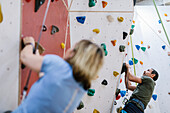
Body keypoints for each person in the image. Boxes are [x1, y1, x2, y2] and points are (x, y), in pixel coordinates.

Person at [12, 37, 104, 113]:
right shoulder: (82, 87)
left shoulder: (60, 65)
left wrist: (29, 44)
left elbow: (25, 57)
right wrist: (37, 57)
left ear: (74, 53)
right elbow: (50, 79)